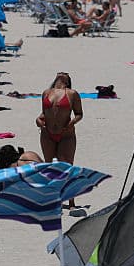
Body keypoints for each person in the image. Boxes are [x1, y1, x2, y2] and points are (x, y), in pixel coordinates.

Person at [37, 72, 83, 207]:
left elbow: (79, 114)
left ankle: (71, 201)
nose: (62, 73)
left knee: (67, 166)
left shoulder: (72, 93)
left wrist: (72, 123)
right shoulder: (46, 92)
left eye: (65, 74)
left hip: (66, 134)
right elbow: (44, 113)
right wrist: (38, 119)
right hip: (47, 133)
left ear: (68, 81)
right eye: (60, 73)